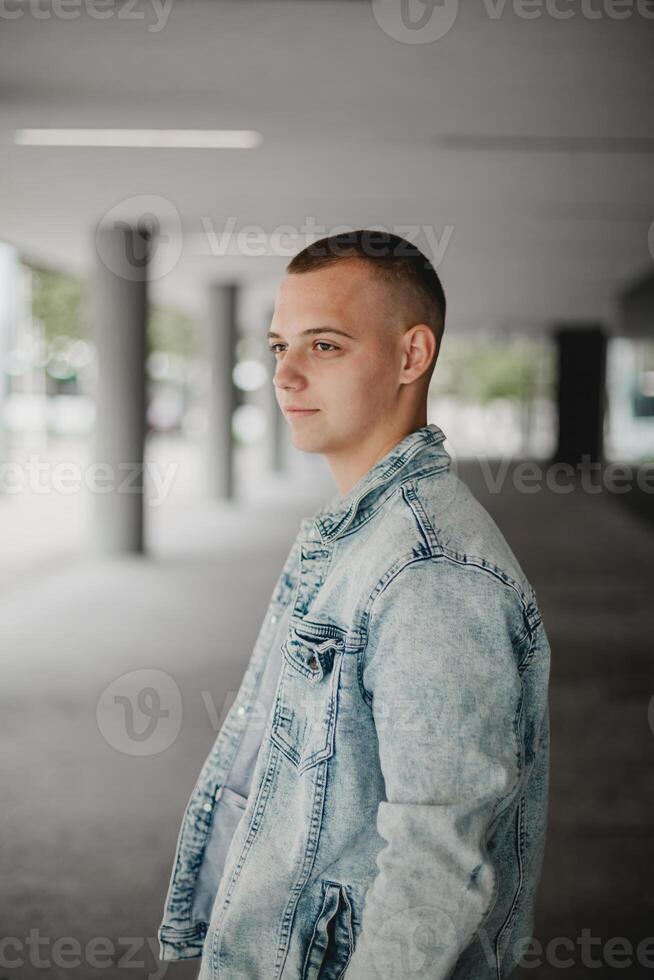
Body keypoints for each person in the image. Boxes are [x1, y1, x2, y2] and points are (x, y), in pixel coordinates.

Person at [157, 230, 551, 979]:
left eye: (325, 346)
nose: (285, 375)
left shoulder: (432, 572)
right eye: (279, 347)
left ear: (412, 355)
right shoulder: (357, 533)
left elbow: (435, 867)